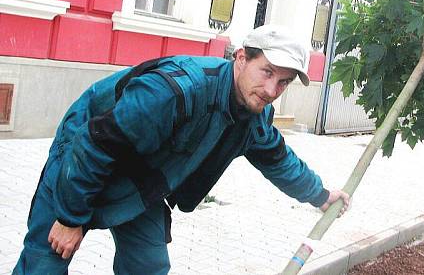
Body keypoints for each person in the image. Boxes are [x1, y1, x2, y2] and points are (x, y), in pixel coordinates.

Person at [13, 25, 350, 275]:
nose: (272, 89)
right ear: (241, 58)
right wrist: (71, 219)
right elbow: (96, 143)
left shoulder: (252, 114)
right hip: (81, 161)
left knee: (149, 267)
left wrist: (321, 196)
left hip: (140, 178)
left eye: (284, 82)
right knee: (46, 262)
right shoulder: (176, 90)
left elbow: (278, 160)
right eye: (267, 72)